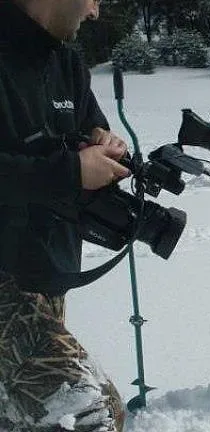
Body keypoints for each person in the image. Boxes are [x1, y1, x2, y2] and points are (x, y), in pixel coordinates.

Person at [0, 1, 131, 431]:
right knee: (82, 416)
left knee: (106, 409)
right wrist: (70, 170)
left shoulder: (65, 62)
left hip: (45, 272)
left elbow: (91, 128)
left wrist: (104, 146)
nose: (95, 12)